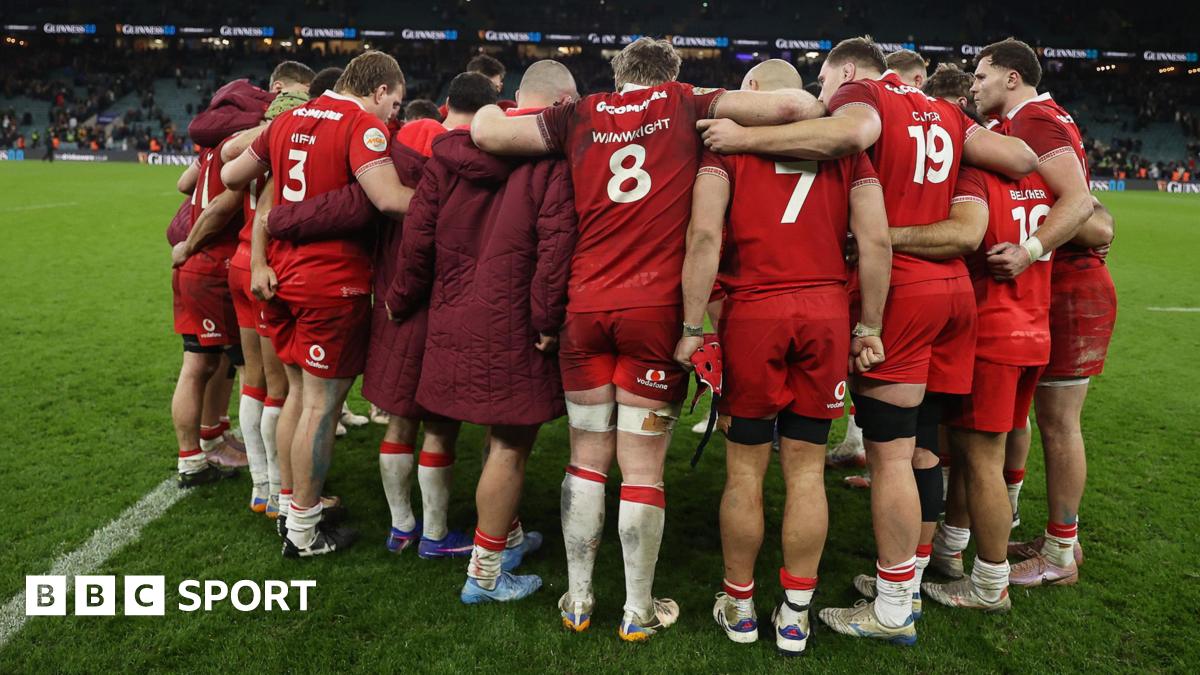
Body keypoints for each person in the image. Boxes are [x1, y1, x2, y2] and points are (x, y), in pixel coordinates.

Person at [471, 36, 824, 641]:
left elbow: (487, 132)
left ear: (617, 73)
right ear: (672, 73)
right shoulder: (689, 103)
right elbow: (799, 107)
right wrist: (739, 126)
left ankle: (578, 600)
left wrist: (490, 106)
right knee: (641, 471)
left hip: (585, 307)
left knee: (585, 461)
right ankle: (637, 609)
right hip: (654, 312)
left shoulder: (579, 113)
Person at [698, 36, 1038, 643]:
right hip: (946, 293)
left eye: (824, 85)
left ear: (846, 71)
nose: (819, 101)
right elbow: (1021, 160)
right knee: (919, 448)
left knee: (876, 458)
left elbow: (849, 140)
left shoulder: (856, 103)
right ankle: (891, 586)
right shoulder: (947, 112)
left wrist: (745, 137)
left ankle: (881, 601)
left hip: (862, 298)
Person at [674, 59, 892, 654]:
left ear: (749, 92)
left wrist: (693, 324)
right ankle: (795, 614)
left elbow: (703, 237)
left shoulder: (726, 144)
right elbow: (874, 242)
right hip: (824, 313)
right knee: (805, 471)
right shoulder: (844, 149)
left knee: (745, 470)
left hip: (754, 315)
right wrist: (868, 324)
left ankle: (739, 604)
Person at [389, 59, 581, 604]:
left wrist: (401, 300)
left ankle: (509, 536)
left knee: (489, 438)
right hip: (515, 321)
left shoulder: (446, 158)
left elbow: (416, 241)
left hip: (453, 315)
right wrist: (549, 321)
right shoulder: (554, 159)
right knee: (509, 445)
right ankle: (487, 572)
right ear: (563, 106)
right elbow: (555, 248)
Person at [926, 38, 1109, 603]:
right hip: (1040, 299)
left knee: (1053, 425)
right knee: (1015, 423)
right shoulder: (1027, 123)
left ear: (1012, 77)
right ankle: (998, 536)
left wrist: (1029, 250)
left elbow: (1085, 209)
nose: (974, 85)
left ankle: (1056, 552)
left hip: (1058, 291)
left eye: (981, 76)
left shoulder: (1034, 118)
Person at [222, 51, 414, 558]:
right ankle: (305, 532)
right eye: (393, 103)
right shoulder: (359, 125)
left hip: (280, 279)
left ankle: (291, 507)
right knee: (322, 409)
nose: (393, 113)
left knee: (298, 399)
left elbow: (232, 175)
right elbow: (390, 199)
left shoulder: (288, 120)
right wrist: (450, 201)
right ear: (378, 91)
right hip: (331, 284)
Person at [218, 62, 315, 514]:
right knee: (281, 389)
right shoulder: (291, 143)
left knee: (253, 382)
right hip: (267, 266)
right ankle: (279, 489)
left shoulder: (250, 143)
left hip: (237, 263)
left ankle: (261, 485)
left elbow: (225, 168)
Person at [170, 137, 245, 486]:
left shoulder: (215, 144)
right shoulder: (243, 143)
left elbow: (184, 184)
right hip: (212, 265)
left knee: (210, 361)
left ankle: (207, 443)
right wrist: (189, 246)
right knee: (228, 365)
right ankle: (271, 481)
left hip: (202, 267)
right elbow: (219, 208)